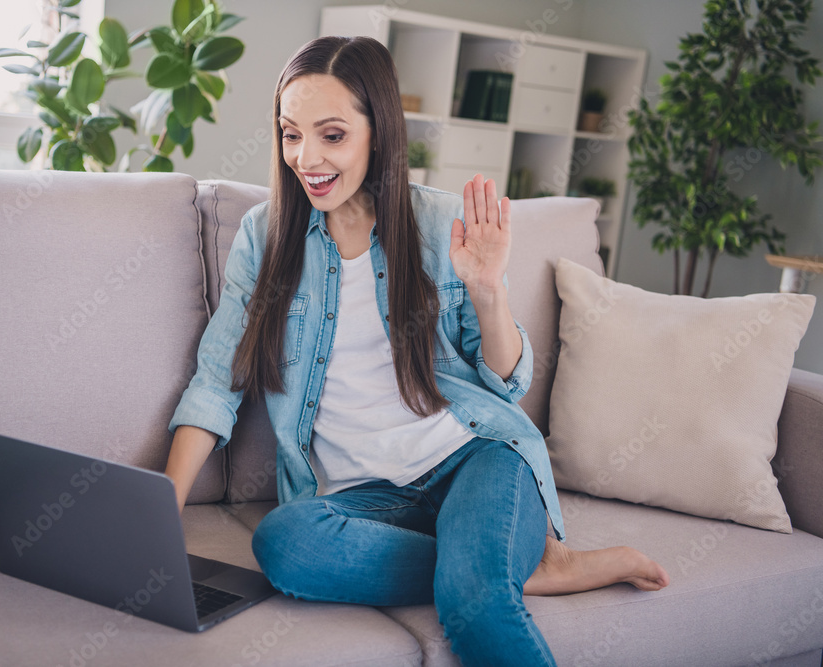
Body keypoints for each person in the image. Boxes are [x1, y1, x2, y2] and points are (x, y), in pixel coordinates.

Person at [165, 35, 669, 666]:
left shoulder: (439, 224)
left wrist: (488, 290)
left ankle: (485, 574)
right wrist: (163, 512)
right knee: (285, 546)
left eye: (332, 135)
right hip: (364, 498)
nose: (306, 158)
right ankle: (515, 565)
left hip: (474, 458)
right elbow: (217, 381)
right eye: (291, 134)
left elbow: (507, 384)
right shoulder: (264, 238)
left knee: (477, 605)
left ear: (379, 132)